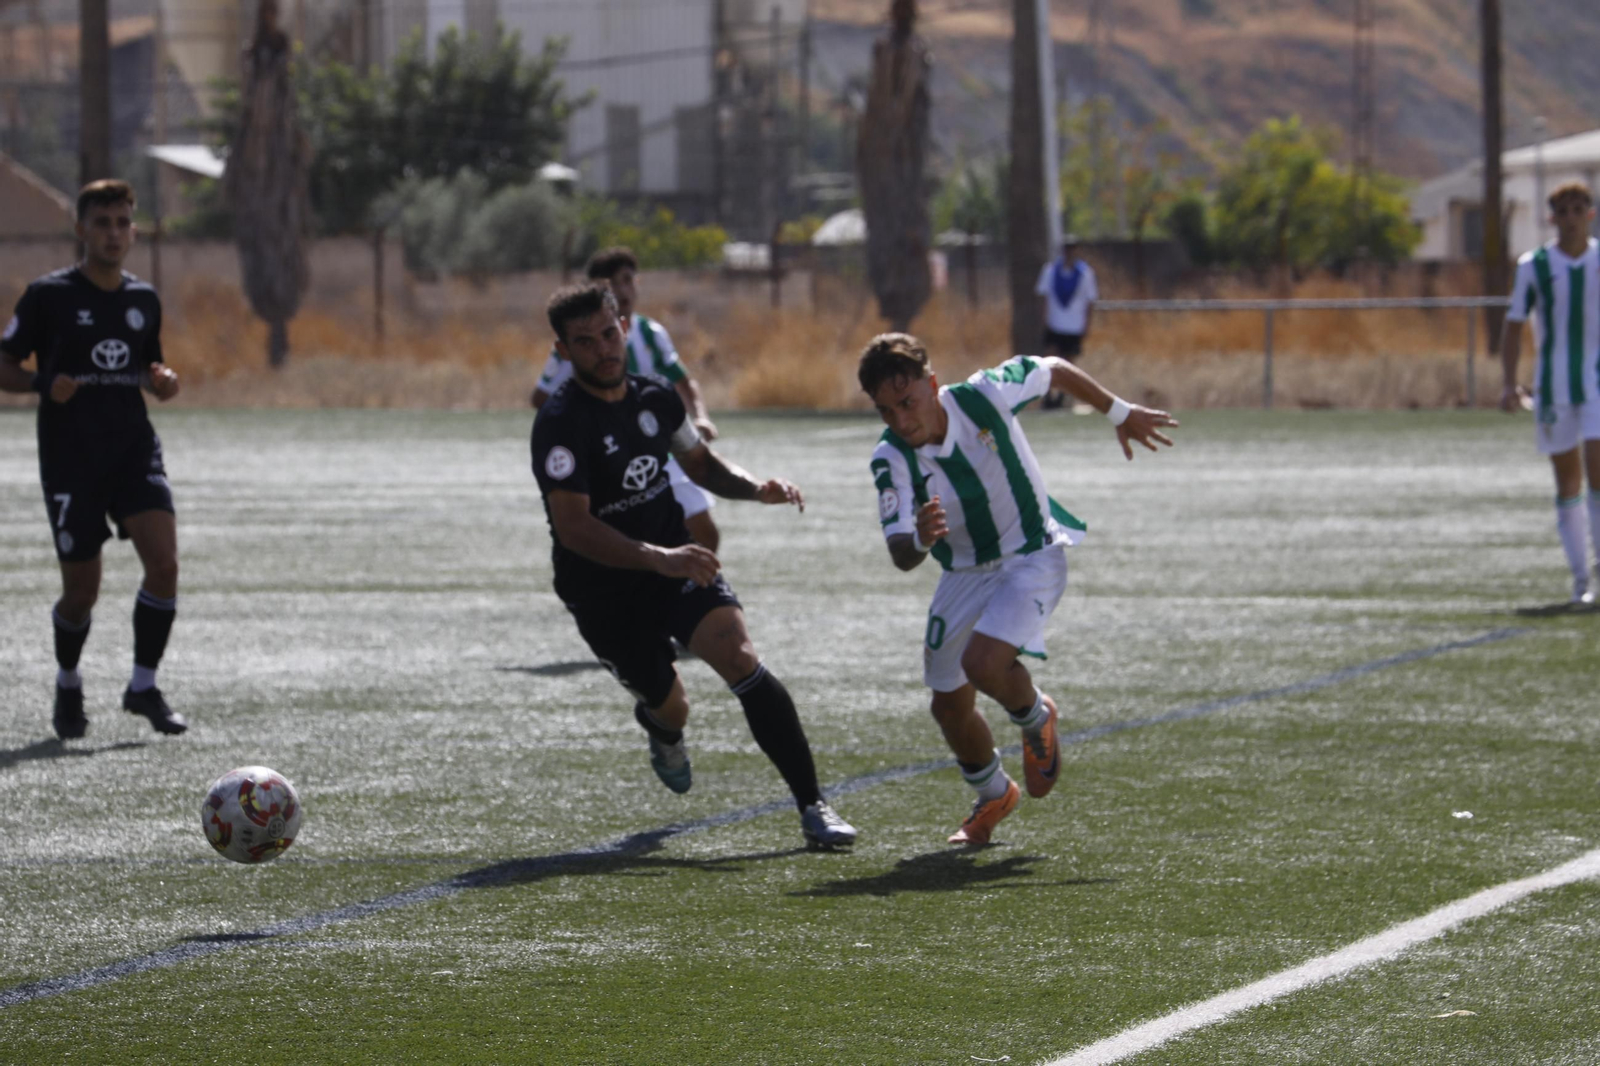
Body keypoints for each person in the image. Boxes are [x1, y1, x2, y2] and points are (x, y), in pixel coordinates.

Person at [531, 281, 856, 848]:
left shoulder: (657, 398)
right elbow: (574, 527)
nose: (603, 349)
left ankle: (814, 807)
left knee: (740, 658)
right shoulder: (561, 424)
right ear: (562, 352)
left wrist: (758, 489)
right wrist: (659, 559)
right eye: (584, 342)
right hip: (602, 590)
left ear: (624, 328)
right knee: (672, 706)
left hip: (677, 566)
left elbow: (701, 465)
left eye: (609, 333)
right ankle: (659, 726)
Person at [860, 333, 1175, 844]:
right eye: (885, 411)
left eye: (906, 402)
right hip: (963, 574)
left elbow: (1053, 368)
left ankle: (1035, 716)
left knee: (983, 665)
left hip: (1032, 554)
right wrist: (918, 538)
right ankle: (993, 794)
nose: (900, 420)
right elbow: (900, 552)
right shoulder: (891, 458)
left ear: (932, 384)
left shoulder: (983, 395)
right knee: (947, 706)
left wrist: (1118, 412)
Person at [0, 179, 187, 740]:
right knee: (83, 590)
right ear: (81, 229)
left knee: (166, 564)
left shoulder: (143, 300)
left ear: (133, 229)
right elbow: (3, 363)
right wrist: (38, 381)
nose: (114, 233)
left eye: (123, 223)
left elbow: (151, 371)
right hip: (70, 459)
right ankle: (67, 681)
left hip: (132, 449)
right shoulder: (48, 296)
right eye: (102, 223)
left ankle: (142, 686)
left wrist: (164, 382)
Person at [532, 247, 722, 552]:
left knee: (705, 532)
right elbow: (540, 396)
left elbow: (683, 381)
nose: (621, 290)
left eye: (627, 280)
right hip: (610, 458)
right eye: (610, 284)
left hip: (660, 449)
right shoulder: (575, 343)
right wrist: (583, 427)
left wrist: (700, 416)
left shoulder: (651, 333)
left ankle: (696, 592)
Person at [1501, 181, 1600, 605]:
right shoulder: (1534, 265)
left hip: (1597, 383)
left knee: (1599, 471)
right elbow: (1513, 323)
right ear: (1552, 217)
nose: (1572, 216)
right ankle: (1581, 577)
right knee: (1568, 481)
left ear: (1590, 214)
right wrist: (1508, 382)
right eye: (1565, 210)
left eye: (1580, 208)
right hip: (1553, 388)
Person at [1034, 235, 1099, 410]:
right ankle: (1047, 395)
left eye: (1073, 248)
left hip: (1074, 325)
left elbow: (1089, 301)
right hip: (1055, 324)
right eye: (1067, 248)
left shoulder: (1085, 273)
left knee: (1069, 363)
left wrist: (1087, 324)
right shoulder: (1050, 271)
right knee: (1048, 359)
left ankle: (1063, 397)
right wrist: (1044, 320)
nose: (1070, 252)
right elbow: (1044, 297)